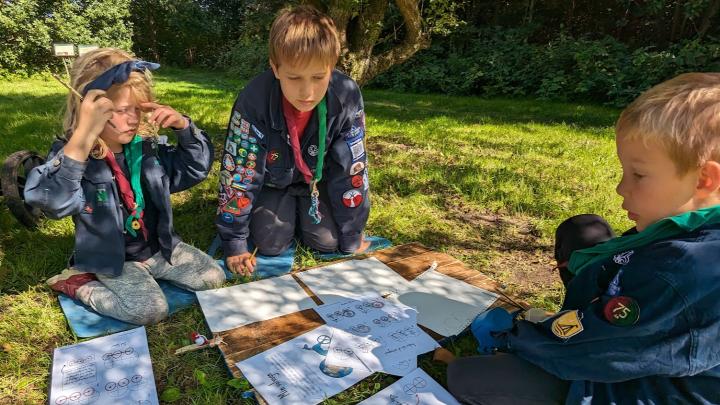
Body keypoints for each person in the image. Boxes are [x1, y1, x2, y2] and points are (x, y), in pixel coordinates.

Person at [439, 73, 720, 404]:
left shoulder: (683, 274)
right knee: (583, 229)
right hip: (634, 334)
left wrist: (518, 336)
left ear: (705, 178)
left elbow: (592, 351)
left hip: (638, 385)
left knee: (467, 377)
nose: (620, 188)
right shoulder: (693, 230)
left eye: (638, 175)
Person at [24, 48, 225, 325]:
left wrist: (184, 128)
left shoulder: (145, 147)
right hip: (114, 259)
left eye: (137, 109)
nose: (132, 119)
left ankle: (150, 271)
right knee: (149, 311)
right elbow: (53, 203)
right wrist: (83, 135)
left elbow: (193, 170)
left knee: (213, 278)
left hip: (159, 248)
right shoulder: (73, 153)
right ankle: (79, 282)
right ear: (88, 109)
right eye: (120, 111)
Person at [216, 5, 371, 275]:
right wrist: (235, 242)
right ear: (275, 68)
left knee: (329, 242)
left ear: (332, 68)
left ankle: (310, 212)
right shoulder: (254, 100)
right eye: (294, 77)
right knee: (270, 244)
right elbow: (239, 173)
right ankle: (285, 209)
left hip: (316, 182)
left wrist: (352, 235)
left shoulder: (346, 96)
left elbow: (351, 169)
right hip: (273, 183)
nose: (307, 92)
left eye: (318, 77)